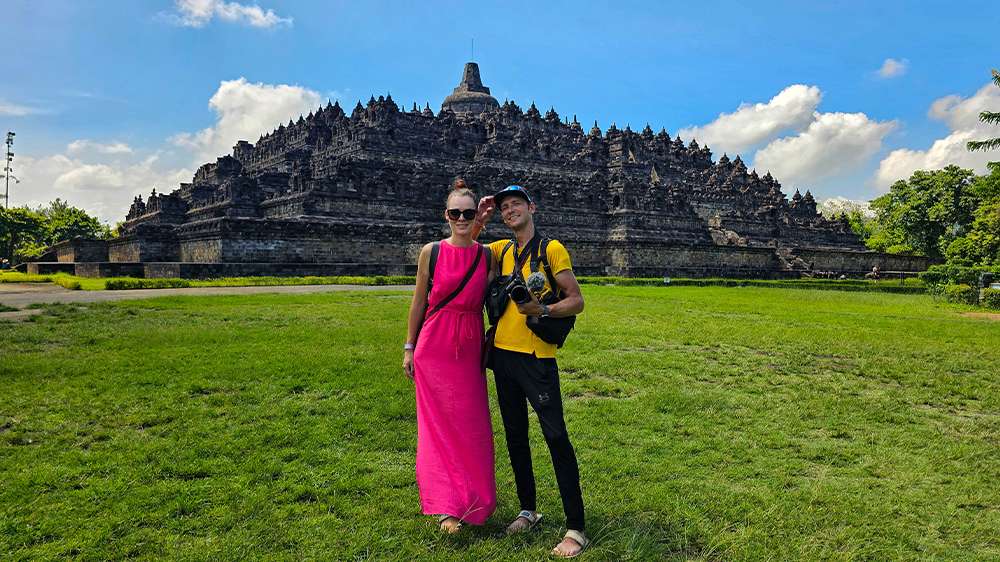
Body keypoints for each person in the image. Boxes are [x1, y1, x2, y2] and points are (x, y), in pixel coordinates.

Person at [475, 185, 589, 558]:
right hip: (503, 357)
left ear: (531, 207)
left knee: (555, 437)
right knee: (515, 435)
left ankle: (576, 528)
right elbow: (466, 249)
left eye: (516, 205)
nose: (510, 211)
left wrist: (541, 310)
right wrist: (478, 219)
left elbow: (576, 300)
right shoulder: (501, 251)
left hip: (537, 358)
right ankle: (528, 508)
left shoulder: (551, 249)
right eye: (505, 208)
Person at [402, 180, 496, 533]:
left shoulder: (487, 255)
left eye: (467, 213)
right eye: (455, 212)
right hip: (434, 346)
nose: (461, 218)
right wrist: (409, 346)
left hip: (469, 345)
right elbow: (418, 302)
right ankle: (446, 508)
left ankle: (474, 500)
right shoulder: (431, 251)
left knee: (472, 426)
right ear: (446, 215)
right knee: (437, 428)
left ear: (475, 215)